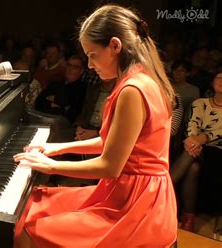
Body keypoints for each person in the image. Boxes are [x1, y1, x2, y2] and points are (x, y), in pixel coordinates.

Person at [13, 5, 177, 247]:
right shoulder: (144, 79)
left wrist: (52, 166)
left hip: (137, 205)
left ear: (115, 46)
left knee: (29, 230)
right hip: (129, 193)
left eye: (92, 55)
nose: (90, 65)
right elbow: (110, 142)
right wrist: (55, 149)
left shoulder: (133, 90)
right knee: (33, 203)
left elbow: (110, 165)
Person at [169, 73, 222, 232]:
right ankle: (188, 218)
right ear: (212, 82)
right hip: (197, 149)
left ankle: (162, 190)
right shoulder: (200, 103)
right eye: (219, 77)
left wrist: (202, 139)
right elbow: (192, 126)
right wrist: (195, 140)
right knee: (193, 168)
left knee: (192, 164)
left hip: (218, 152)